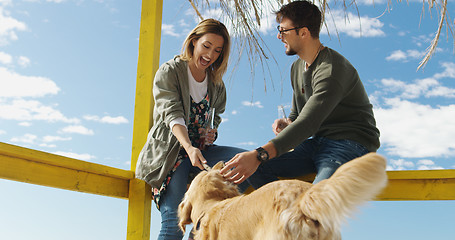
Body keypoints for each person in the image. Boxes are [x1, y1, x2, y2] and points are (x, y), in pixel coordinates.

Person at [220, 0, 380, 188]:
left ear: (303, 32)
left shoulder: (331, 69)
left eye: (283, 31)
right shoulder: (296, 67)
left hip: (350, 144)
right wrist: (288, 124)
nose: (279, 37)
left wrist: (259, 154)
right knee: (259, 169)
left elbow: (308, 123)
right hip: (316, 144)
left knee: (318, 199)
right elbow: (298, 117)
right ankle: (287, 216)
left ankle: (302, 216)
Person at [135, 19, 247, 240]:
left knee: (244, 161)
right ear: (193, 41)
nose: (210, 55)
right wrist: (188, 146)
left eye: (217, 50)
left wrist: (211, 131)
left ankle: (208, 224)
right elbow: (171, 112)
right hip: (171, 154)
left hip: (202, 153)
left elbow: (216, 117)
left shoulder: (216, 83)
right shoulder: (171, 71)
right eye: (206, 46)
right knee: (174, 223)